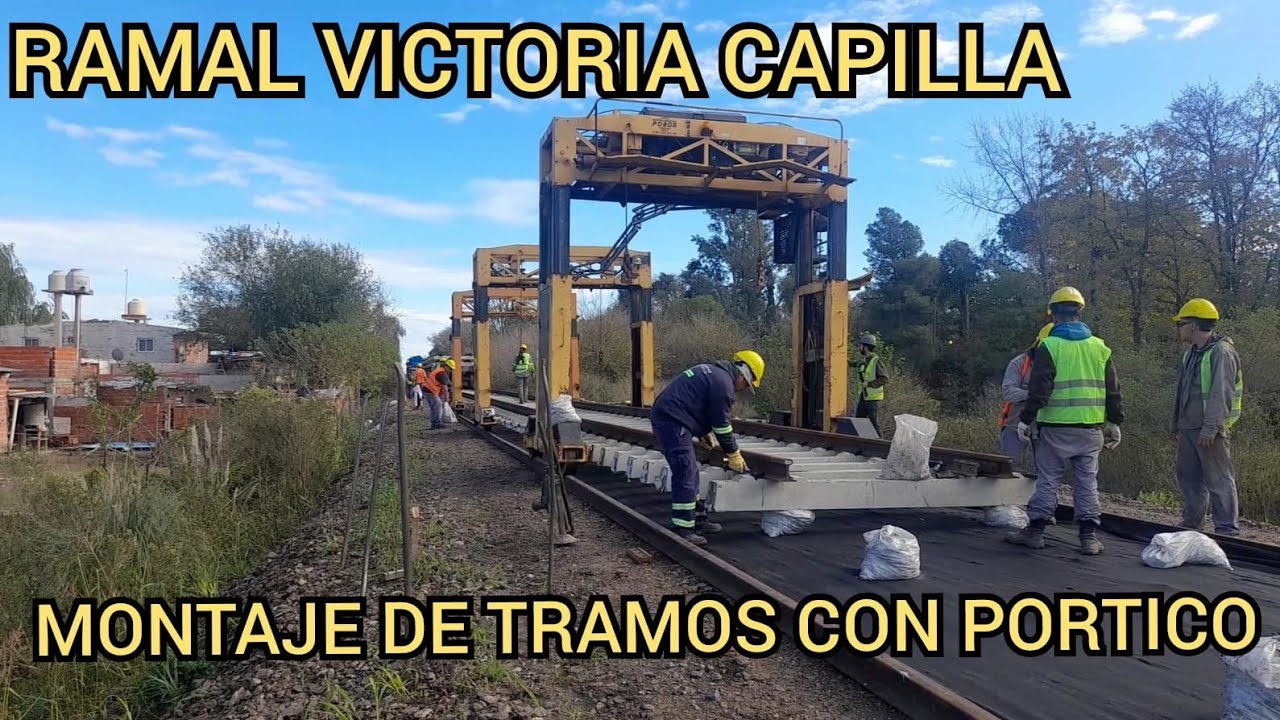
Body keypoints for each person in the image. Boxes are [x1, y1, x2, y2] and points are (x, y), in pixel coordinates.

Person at [1005, 286, 1123, 555]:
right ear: (1079, 312)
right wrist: (1114, 422)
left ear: (1053, 315)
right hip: (1091, 430)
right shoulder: (1100, 348)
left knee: (1048, 480)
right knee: (1086, 482)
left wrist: (1025, 419)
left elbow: (1040, 390)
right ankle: (1088, 538)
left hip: (1055, 430)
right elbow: (1113, 389)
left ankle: (1035, 532)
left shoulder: (1050, 346)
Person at [650, 350, 764, 546]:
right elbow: (722, 424)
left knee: (691, 471)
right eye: (746, 383)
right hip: (672, 421)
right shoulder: (723, 384)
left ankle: (697, 519)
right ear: (742, 372)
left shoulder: (715, 374)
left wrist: (702, 432)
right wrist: (734, 454)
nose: (743, 388)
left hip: (673, 418)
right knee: (685, 471)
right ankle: (683, 529)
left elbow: (696, 404)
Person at [1171, 298, 1243, 536]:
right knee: (1188, 477)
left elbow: (1221, 393)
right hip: (1189, 427)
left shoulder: (1222, 352)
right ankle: (1192, 523)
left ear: (1193, 325)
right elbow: (1182, 391)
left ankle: (1227, 530)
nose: (1179, 328)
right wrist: (1176, 425)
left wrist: (1211, 429)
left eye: (1181, 324)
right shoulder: (1191, 353)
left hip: (1210, 430)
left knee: (1219, 480)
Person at [997, 323, 1054, 474]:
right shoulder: (1019, 363)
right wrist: (1035, 395)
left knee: (1045, 472)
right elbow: (1008, 391)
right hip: (1015, 424)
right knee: (1007, 467)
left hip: (1046, 425)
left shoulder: (1061, 363)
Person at [851, 333, 888, 436]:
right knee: (859, 421)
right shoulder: (864, 361)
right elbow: (854, 364)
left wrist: (869, 384)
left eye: (861, 346)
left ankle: (881, 444)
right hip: (864, 396)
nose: (859, 348)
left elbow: (884, 378)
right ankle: (864, 442)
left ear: (866, 347)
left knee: (873, 422)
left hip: (873, 398)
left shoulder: (876, 361)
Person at [420, 358, 455, 429]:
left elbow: (445, 383)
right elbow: (445, 388)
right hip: (430, 391)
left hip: (426, 390)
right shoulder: (442, 373)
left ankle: (434, 424)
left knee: (434, 407)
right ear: (446, 366)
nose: (450, 370)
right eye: (450, 368)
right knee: (438, 406)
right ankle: (437, 423)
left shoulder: (440, 371)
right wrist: (447, 399)